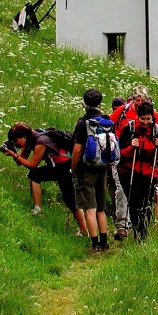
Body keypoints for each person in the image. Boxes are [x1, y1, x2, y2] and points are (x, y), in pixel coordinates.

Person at [3, 123, 88, 236]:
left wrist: (15, 155)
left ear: (23, 137)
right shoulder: (31, 138)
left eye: (16, 142)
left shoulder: (40, 142)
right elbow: (21, 161)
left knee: (70, 199)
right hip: (59, 166)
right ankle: (38, 208)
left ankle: (84, 231)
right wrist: (13, 152)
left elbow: (33, 164)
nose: (16, 145)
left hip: (64, 166)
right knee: (34, 175)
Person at [117, 101, 158, 241]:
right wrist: (132, 147)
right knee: (134, 202)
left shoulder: (157, 132)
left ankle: (143, 231)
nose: (145, 122)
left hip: (148, 173)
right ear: (138, 117)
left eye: (148, 119)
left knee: (146, 203)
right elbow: (120, 153)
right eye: (143, 119)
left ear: (152, 117)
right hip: (129, 172)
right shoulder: (129, 129)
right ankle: (139, 233)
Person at [71, 89, 111, 252]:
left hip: (86, 169)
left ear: (84, 103)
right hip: (102, 167)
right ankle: (105, 242)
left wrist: (73, 168)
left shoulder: (83, 123)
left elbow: (77, 150)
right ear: (100, 103)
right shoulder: (107, 120)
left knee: (90, 208)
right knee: (101, 208)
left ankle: (94, 244)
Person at [107, 96, 131, 241]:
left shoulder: (139, 119)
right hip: (117, 158)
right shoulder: (114, 120)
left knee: (129, 190)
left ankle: (130, 222)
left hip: (132, 159)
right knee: (120, 189)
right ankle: (122, 225)